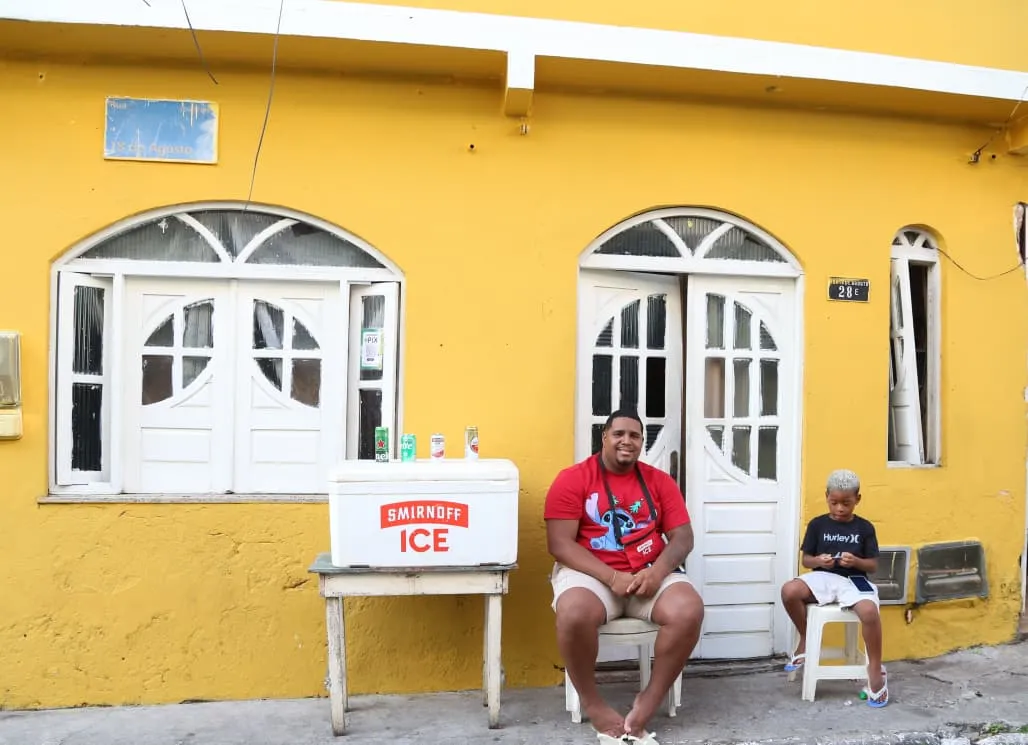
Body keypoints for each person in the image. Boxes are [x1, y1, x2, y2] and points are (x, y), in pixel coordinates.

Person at [544, 409, 704, 739]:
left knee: (689, 609)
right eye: (618, 434)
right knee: (573, 613)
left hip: (648, 572)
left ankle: (650, 698)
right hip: (592, 574)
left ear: (642, 442)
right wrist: (611, 577)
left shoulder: (659, 481)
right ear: (603, 437)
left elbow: (683, 537)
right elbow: (560, 544)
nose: (626, 441)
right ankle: (593, 703)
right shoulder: (573, 478)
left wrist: (658, 573)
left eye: (634, 436)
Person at [780, 469, 887, 707]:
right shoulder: (818, 524)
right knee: (789, 591)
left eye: (846, 503)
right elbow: (806, 560)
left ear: (857, 499)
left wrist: (856, 562)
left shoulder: (865, 528)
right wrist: (819, 561)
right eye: (834, 502)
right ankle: (806, 637)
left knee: (870, 613)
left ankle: (876, 670)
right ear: (827, 496)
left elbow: (873, 565)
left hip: (854, 580)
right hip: (824, 576)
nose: (839, 508)